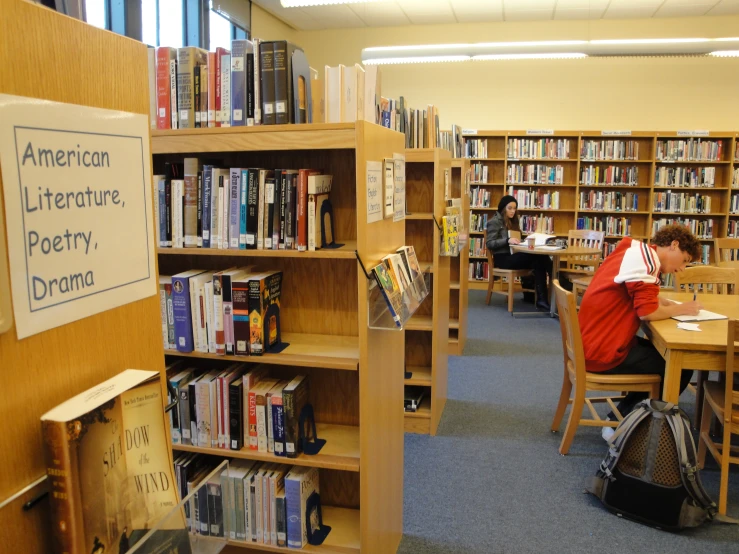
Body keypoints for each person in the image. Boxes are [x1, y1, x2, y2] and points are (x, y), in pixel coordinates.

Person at [578, 224, 703, 440]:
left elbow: (635, 294)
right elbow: (647, 312)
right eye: (684, 260)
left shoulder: (636, 250)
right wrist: (682, 309)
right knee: (679, 366)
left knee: (663, 355)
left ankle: (625, 415)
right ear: (674, 245)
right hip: (603, 350)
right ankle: (620, 423)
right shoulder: (648, 263)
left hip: (593, 340)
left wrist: (659, 299)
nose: (682, 268)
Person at [485, 195, 552, 311]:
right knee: (539, 259)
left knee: (540, 258)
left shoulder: (514, 221)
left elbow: (517, 239)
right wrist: (507, 240)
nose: (512, 211)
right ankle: (558, 283)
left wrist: (526, 240)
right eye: (509, 208)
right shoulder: (494, 222)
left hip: (514, 255)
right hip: (503, 258)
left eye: (514, 208)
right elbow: (490, 243)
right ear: (503, 208)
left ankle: (542, 300)